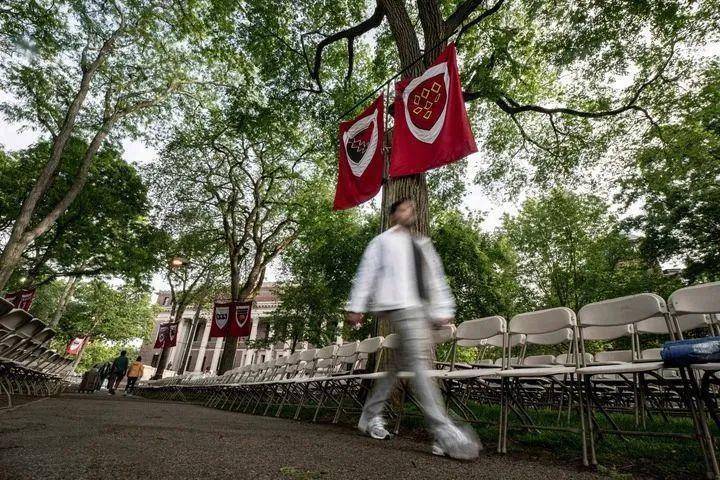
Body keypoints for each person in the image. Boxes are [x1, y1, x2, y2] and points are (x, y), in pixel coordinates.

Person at [346, 198, 480, 460]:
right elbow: (366, 274)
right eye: (403, 209)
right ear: (393, 215)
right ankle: (443, 431)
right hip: (399, 307)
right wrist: (356, 306)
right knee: (418, 363)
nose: (409, 212)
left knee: (398, 364)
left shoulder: (423, 244)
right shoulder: (382, 242)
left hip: (422, 310)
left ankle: (369, 415)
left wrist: (443, 309)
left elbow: (435, 279)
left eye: (411, 208)